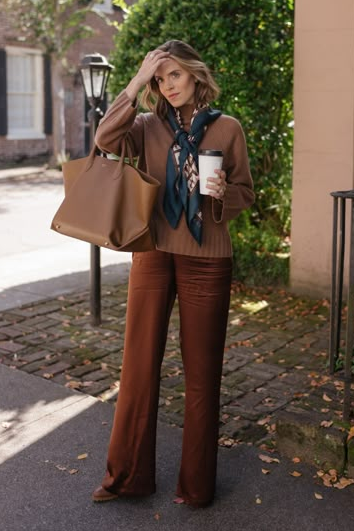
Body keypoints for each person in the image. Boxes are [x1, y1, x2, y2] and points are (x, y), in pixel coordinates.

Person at [92, 39, 254, 508]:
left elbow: (245, 190)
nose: (169, 86)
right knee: (139, 366)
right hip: (154, 251)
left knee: (202, 375)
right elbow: (104, 140)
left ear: (196, 76)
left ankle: (197, 485)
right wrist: (137, 79)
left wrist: (223, 192)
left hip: (208, 257)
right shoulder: (145, 127)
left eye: (175, 75)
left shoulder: (227, 129)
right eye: (161, 79)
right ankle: (126, 477)